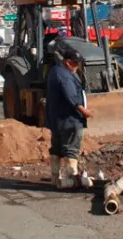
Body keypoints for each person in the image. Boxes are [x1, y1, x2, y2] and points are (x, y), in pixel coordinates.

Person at [46, 48, 93, 187]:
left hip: (57, 119)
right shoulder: (65, 76)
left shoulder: (55, 71)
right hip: (69, 119)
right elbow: (71, 97)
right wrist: (84, 111)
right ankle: (71, 179)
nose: (76, 67)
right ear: (67, 62)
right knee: (71, 149)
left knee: (56, 148)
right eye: (74, 64)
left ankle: (55, 178)